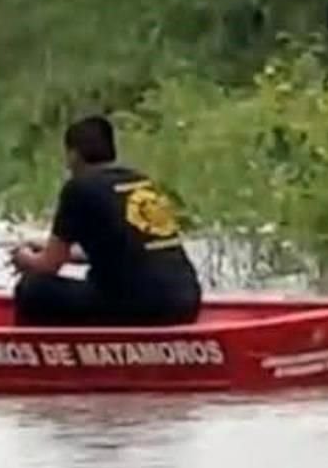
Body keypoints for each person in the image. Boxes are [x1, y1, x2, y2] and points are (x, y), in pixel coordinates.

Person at [10, 115, 202, 327]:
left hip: (140, 306)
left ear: (73, 155)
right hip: (186, 302)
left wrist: (24, 257)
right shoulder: (140, 181)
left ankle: (35, 354)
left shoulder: (79, 188)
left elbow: (48, 266)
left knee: (33, 288)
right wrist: (46, 247)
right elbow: (126, 249)